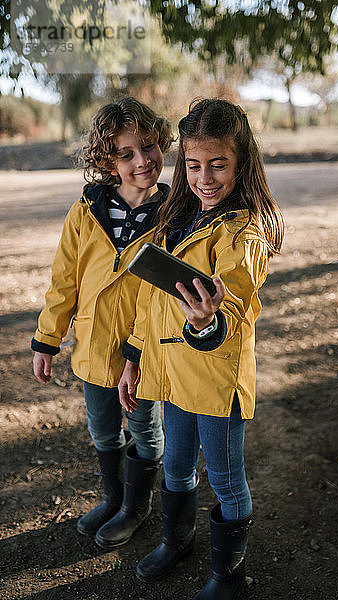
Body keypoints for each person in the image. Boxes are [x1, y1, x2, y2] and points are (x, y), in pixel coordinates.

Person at [119, 99, 284, 599]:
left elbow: (232, 307)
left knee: (227, 480)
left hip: (215, 382)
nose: (205, 177)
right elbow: (151, 301)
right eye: (194, 165)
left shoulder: (244, 232)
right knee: (175, 466)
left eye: (219, 164)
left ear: (241, 163)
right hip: (171, 375)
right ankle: (177, 540)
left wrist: (206, 322)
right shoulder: (176, 218)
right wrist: (134, 358)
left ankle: (228, 577)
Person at [31, 97, 173, 549]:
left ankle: (137, 506)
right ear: (107, 162)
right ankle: (113, 498)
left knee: (145, 429)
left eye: (148, 147)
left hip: (143, 351)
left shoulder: (173, 215)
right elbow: (65, 279)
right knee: (102, 428)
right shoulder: (87, 209)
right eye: (126, 154)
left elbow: (159, 297)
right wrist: (47, 338)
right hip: (93, 347)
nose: (142, 161)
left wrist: (136, 351)